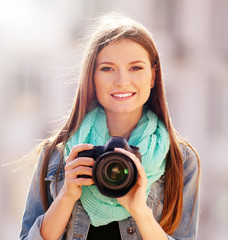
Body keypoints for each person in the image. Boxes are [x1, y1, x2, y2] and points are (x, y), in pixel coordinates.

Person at [20, 13, 200, 240]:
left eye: (136, 68)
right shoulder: (55, 154)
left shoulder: (180, 159)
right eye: (107, 69)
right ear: (91, 76)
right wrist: (67, 195)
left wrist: (140, 211)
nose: (122, 80)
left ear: (153, 76)